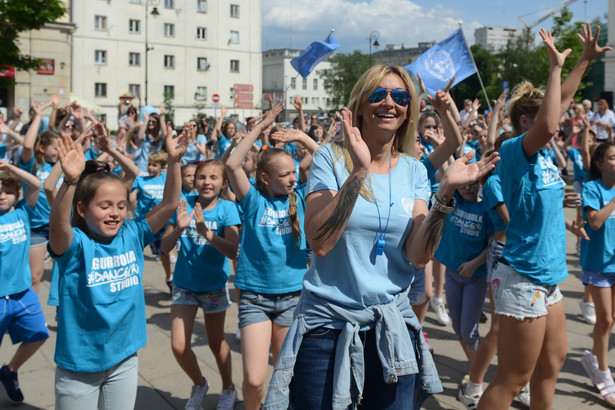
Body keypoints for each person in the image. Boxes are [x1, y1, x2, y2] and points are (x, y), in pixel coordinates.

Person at [264, 64, 499, 410]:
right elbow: (321, 244)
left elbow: (418, 256)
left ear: (408, 112)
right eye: (379, 94)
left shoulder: (415, 170)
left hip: (391, 327)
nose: (390, 103)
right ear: (361, 104)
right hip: (328, 326)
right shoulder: (331, 157)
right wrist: (358, 172)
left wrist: (445, 193)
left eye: (400, 97)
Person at [477, 25, 610, 410]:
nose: (559, 118)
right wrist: (554, 67)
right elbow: (550, 122)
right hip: (522, 276)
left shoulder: (546, 157)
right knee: (513, 379)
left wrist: (583, 61)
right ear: (524, 122)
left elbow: (561, 104)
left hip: (548, 277)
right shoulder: (518, 150)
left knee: (551, 364)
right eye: (546, 117)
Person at [48, 127, 187, 409]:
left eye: (121, 206)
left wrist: (174, 162)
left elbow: (170, 202)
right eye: (104, 206)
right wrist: (71, 180)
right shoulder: (75, 245)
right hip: (80, 365)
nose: (115, 212)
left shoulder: (133, 234)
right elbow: (59, 226)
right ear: (83, 210)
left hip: (124, 357)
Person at [225, 102, 317, 410]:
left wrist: (302, 137)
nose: (293, 178)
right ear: (264, 177)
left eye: (294, 172)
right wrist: (261, 125)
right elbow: (232, 164)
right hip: (255, 298)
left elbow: (329, 162)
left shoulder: (301, 197)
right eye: (285, 174)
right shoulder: (252, 200)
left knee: (284, 375)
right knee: (253, 379)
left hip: (292, 297)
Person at [161, 160, 241, 410]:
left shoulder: (228, 208)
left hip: (214, 287)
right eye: (202, 177)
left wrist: (205, 232)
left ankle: (228, 387)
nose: (207, 182)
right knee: (179, 345)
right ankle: (199, 384)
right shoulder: (183, 203)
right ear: (193, 180)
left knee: (216, 343)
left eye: (214, 178)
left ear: (223, 183)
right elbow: (164, 247)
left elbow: (232, 250)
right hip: (184, 285)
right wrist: (179, 228)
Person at [0, 162, 49, 404]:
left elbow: (36, 184)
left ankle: (9, 372)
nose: (2, 196)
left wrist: (8, 166)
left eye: (8, 191)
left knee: (39, 335)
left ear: (17, 195)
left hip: (22, 293)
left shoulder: (22, 211)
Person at [579, 142, 615, 405]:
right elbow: (595, 221)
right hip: (598, 264)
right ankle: (603, 373)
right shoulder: (592, 189)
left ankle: (594, 359)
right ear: (600, 163)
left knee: (610, 321)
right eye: (613, 157)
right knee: (604, 320)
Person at [18, 101, 56, 294]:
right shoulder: (32, 165)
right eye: (55, 148)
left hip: (59, 225)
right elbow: (26, 146)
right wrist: (38, 116)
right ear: (42, 148)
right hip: (36, 228)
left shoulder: (62, 167)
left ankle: (62, 314)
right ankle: (34, 321)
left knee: (64, 275)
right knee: (34, 277)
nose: (59, 152)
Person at [130, 150, 174, 293]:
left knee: (164, 253)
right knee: (135, 252)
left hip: (162, 224)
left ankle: (169, 277)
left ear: (162, 167)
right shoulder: (141, 180)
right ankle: (132, 279)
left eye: (154, 165)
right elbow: (128, 189)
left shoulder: (166, 179)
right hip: (143, 223)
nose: (150, 167)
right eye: (149, 164)